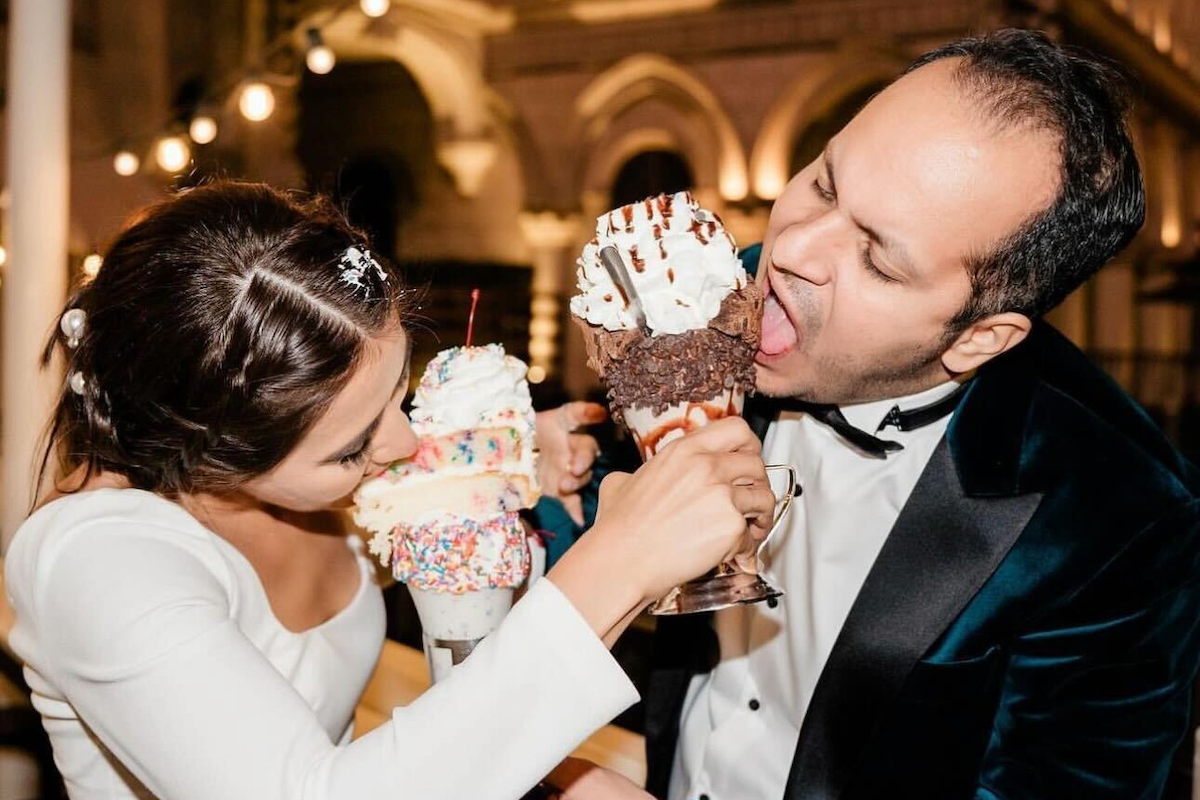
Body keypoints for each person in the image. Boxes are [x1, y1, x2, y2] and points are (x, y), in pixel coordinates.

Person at [555, 29, 1200, 800]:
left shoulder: (1125, 524)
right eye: (825, 183)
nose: (790, 249)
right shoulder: (692, 300)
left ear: (977, 338)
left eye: (878, 259)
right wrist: (552, 485)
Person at [2, 180, 777, 800]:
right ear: (209, 454)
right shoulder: (96, 560)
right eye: (352, 448)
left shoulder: (296, 484)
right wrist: (616, 569)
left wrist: (500, 450)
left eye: (393, 396)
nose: (403, 444)